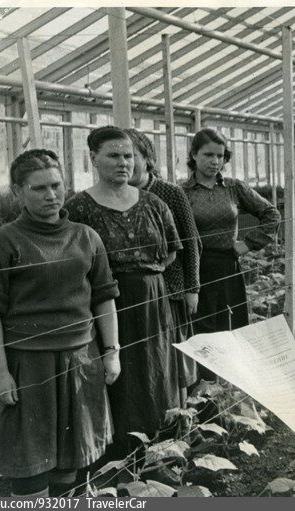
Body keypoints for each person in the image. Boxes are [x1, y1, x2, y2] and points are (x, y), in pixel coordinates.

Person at [0, 150, 120, 497]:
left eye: (56, 185)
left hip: (81, 359)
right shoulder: (3, 242)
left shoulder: (86, 237)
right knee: (30, 458)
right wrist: (0, 372)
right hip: (29, 364)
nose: (51, 195)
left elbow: (103, 297)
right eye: (38, 188)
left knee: (73, 456)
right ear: (17, 192)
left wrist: (111, 351)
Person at [64, 126, 182, 452]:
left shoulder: (155, 204)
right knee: (114, 375)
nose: (123, 163)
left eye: (128, 156)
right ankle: (117, 456)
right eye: (113, 156)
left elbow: (171, 251)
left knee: (155, 372)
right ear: (93, 159)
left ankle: (158, 448)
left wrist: (147, 278)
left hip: (153, 301)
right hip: (105, 304)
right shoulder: (77, 209)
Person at [182, 128, 280, 379]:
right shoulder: (182, 192)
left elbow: (271, 214)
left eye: (220, 155)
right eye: (207, 155)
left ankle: (229, 383)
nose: (215, 161)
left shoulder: (234, 188)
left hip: (227, 266)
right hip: (194, 269)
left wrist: (248, 244)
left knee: (229, 325)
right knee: (200, 331)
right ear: (193, 155)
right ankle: (203, 387)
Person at [124, 128, 202, 402]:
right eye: (119, 156)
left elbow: (192, 242)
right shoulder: (114, 196)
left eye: (132, 155)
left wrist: (192, 287)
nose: (126, 163)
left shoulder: (169, 193)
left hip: (171, 290)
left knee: (172, 356)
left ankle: (180, 414)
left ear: (147, 158)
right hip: (133, 296)